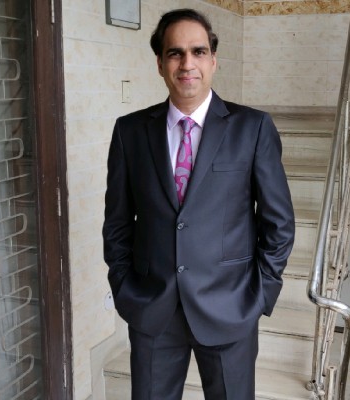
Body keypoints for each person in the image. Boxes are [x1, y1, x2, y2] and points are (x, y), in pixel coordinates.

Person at [103, 8, 295, 400]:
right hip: (153, 310)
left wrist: (261, 293)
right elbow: (118, 223)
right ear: (160, 64)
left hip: (230, 307)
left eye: (198, 51)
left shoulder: (252, 128)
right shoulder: (130, 132)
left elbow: (278, 223)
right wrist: (124, 287)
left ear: (213, 61)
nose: (187, 63)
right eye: (175, 53)